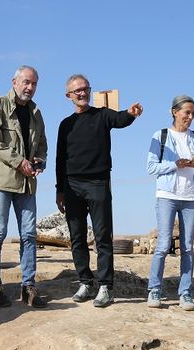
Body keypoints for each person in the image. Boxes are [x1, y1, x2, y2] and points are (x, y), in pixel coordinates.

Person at [55, 74, 143, 308]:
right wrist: (59, 190)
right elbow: (59, 159)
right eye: (77, 91)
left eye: (85, 89)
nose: (82, 93)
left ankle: (105, 286)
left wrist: (131, 113)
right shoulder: (65, 125)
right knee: (77, 238)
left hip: (98, 184)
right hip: (72, 186)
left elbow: (121, 119)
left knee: (103, 237)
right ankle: (85, 281)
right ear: (69, 96)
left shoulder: (102, 115)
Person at [0, 65, 48, 308]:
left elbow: (42, 144)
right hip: (0, 180)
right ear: (14, 81)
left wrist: (39, 160)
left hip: (27, 183)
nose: (30, 87)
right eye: (26, 82)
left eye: (34, 83)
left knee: (29, 234)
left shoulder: (36, 112)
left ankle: (28, 287)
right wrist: (19, 162)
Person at [146, 95, 194, 311]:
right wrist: (175, 164)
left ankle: (186, 293)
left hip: (191, 197)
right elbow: (151, 167)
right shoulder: (160, 136)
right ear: (174, 111)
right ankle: (154, 290)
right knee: (163, 245)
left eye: (193, 113)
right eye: (186, 112)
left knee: (188, 248)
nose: (190, 117)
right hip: (167, 196)